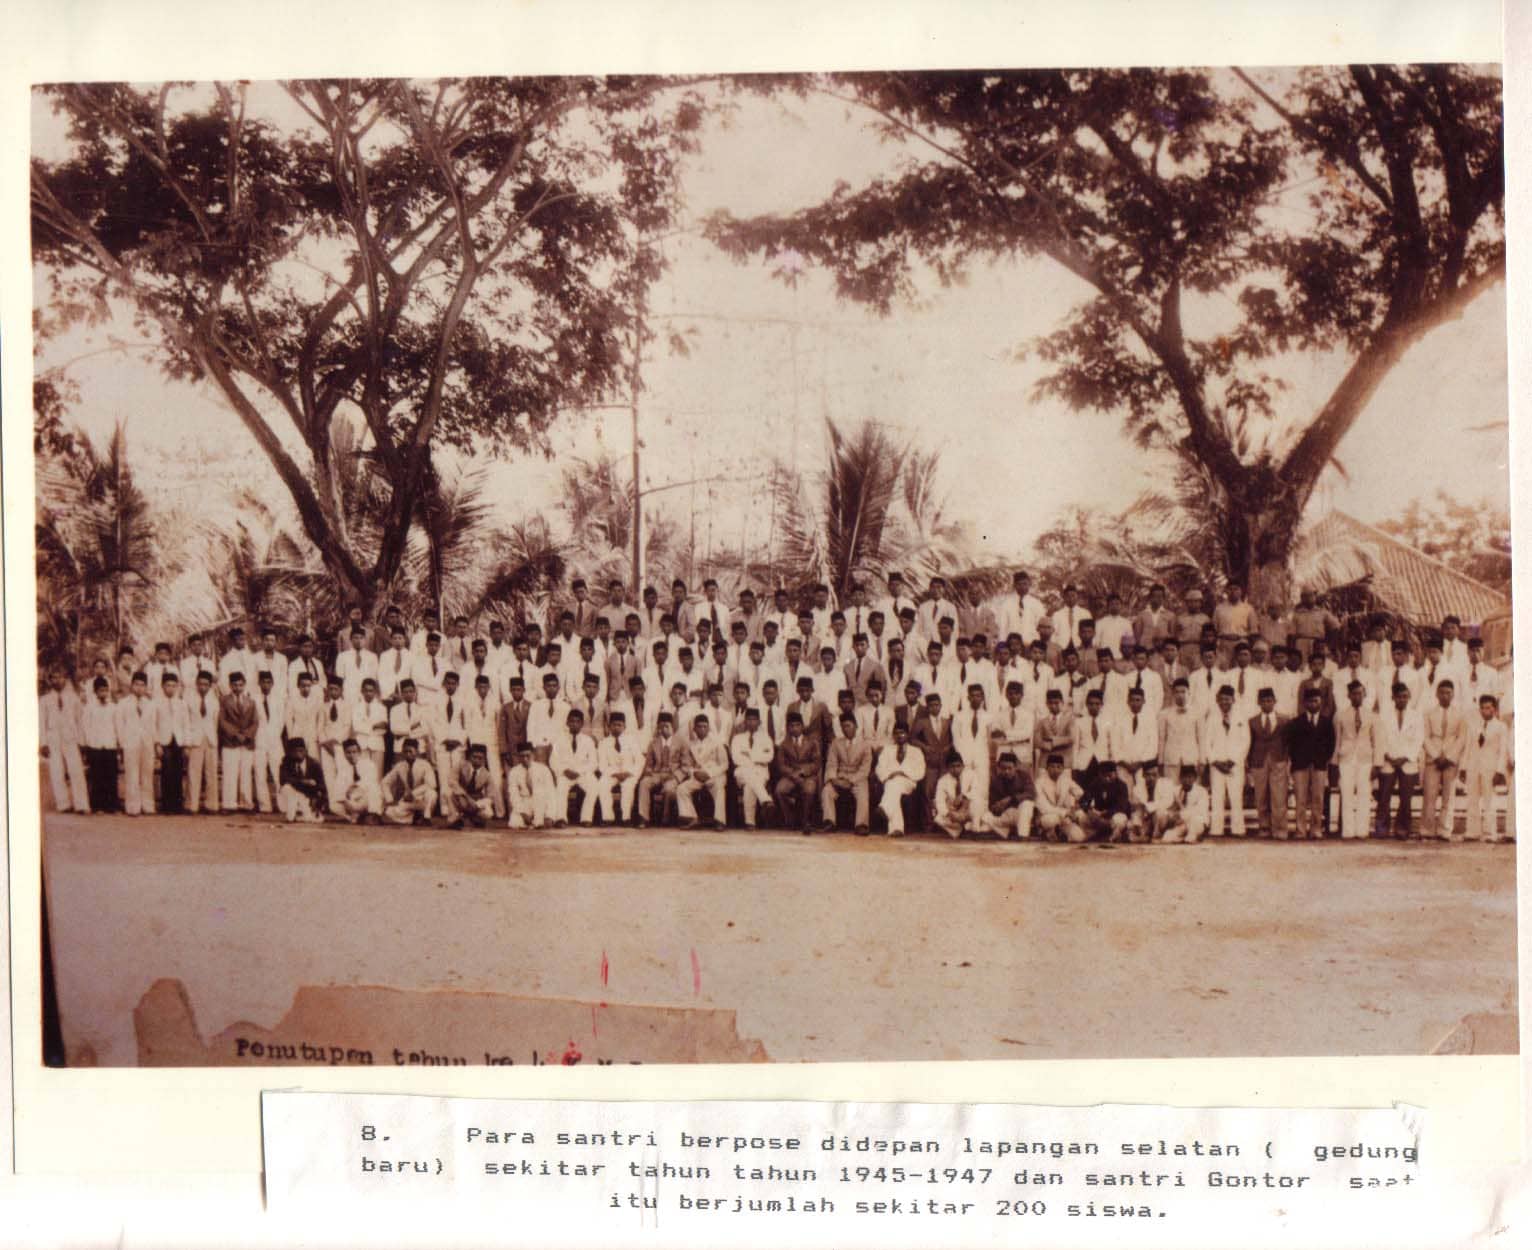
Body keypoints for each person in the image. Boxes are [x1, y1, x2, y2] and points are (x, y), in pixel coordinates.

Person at [1374, 681, 1424, 838]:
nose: (1402, 700)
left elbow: (1418, 740)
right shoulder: (1384, 716)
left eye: (1405, 696)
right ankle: (1382, 828)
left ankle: (1402, 829)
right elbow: (1380, 739)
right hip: (1388, 760)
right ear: (1393, 698)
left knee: (1406, 798)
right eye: (1399, 697)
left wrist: (1405, 757)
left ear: (1409, 697)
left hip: (1407, 761)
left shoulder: (1416, 716)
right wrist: (1388, 756)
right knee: (1384, 796)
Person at [1420, 680, 1468, 840]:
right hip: (1433, 759)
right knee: (1430, 795)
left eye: (1448, 692)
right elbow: (1425, 737)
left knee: (1449, 795)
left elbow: (1461, 738)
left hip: (1450, 760)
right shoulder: (1428, 713)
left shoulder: (1460, 714)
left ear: (1453, 694)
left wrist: (1448, 757)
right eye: (1442, 692)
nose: (1445, 696)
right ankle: (1427, 830)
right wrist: (1435, 755)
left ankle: (1445, 830)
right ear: (1436, 694)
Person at [1331, 679, 1376, 840]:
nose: (1357, 696)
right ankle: (1348, 830)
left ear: (1364, 695)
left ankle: (1362, 829)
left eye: (1360, 693)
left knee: (1364, 793)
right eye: (1354, 693)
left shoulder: (1371, 715)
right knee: (1347, 793)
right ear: (1349, 696)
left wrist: (1376, 763)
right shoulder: (1340, 715)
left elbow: (1375, 740)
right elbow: (1337, 739)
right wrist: (1334, 762)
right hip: (1346, 757)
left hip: (1365, 758)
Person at [40, 668, 90, 814]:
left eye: (60, 676)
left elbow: (80, 720)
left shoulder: (73, 698)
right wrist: (43, 743)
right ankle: (63, 804)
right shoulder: (44, 700)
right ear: (50, 680)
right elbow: (41, 723)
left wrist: (82, 741)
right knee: (57, 770)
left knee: (76, 770)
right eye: (54, 677)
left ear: (65, 678)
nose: (57, 680)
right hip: (53, 737)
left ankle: (81, 804)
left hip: (71, 736)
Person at [1462, 695, 1511, 842]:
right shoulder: (1473, 725)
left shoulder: (1501, 727)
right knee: (1472, 799)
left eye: (1488, 708)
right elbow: (1468, 747)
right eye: (1482, 708)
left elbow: (1503, 750)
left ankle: (1490, 833)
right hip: (1473, 766)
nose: (1485, 711)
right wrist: (1463, 767)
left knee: (1490, 801)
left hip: (1490, 768)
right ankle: (1472, 832)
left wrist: (1499, 771)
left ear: (1495, 709)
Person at [1203, 685, 1249, 838]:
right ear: (1217, 700)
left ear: (1233, 700)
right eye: (1221, 699)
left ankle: (1238, 828)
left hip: (1234, 764)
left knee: (1236, 796)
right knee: (1217, 796)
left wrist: (1233, 760)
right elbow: (1206, 742)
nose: (1224, 702)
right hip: (1217, 765)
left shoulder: (1241, 717)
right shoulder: (1211, 718)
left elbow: (1245, 741)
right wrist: (1215, 761)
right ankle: (1217, 829)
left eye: (1227, 699)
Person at [1246, 687, 1290, 839]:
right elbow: (1249, 743)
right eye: (1263, 701)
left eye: (1269, 701)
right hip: (1259, 761)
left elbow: (1288, 742)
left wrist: (1286, 760)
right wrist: (1249, 763)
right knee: (1261, 796)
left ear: (1275, 701)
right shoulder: (1252, 722)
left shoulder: (1284, 720)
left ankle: (1280, 829)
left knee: (1279, 796)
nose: (1266, 704)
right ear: (1258, 702)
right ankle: (1264, 827)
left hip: (1278, 760)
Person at [113, 670, 156, 816]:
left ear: (146, 687)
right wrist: (123, 742)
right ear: (131, 686)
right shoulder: (123, 703)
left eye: (143, 685)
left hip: (147, 742)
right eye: (136, 684)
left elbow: (153, 725)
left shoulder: (150, 704)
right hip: (130, 742)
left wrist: (154, 742)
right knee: (131, 774)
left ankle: (148, 805)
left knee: (147, 774)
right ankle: (132, 806)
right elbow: (119, 725)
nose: (139, 688)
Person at [820, 713, 872, 833]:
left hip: (857, 778)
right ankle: (829, 821)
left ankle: (861, 824)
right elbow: (831, 764)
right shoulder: (836, 743)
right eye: (843, 726)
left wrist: (851, 781)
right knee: (827, 790)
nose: (845, 729)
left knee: (863, 791)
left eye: (848, 725)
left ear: (856, 726)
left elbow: (865, 769)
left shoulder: (865, 745)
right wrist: (834, 779)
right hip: (840, 777)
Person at [774, 712, 823, 834]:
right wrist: (793, 774)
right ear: (787, 728)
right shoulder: (784, 744)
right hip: (790, 776)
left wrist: (802, 772)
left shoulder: (812, 742)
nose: (794, 728)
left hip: (808, 776)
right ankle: (790, 820)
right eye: (791, 726)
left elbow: (816, 763)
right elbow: (781, 765)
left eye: (797, 725)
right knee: (780, 790)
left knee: (809, 789)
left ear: (802, 726)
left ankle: (805, 821)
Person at [875, 721, 926, 837]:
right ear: (893, 735)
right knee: (894, 789)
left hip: (908, 781)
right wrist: (890, 775)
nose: (899, 736)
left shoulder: (916, 751)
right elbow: (879, 768)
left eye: (902, 733)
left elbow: (921, 771)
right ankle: (897, 829)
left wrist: (902, 772)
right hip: (890, 780)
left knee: (894, 786)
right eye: (897, 733)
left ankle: (885, 808)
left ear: (907, 734)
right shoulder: (887, 750)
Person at [550, 708, 600, 827]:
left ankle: (586, 818)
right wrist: (564, 770)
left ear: (582, 724)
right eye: (572, 721)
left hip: (582, 774)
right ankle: (561, 818)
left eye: (578, 722)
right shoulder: (559, 739)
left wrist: (580, 771)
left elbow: (594, 762)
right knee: (561, 788)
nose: (574, 724)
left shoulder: (588, 740)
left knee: (593, 787)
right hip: (566, 773)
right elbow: (553, 760)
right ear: (567, 723)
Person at [677, 714, 728, 830]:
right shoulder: (691, 744)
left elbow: (725, 764)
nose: (702, 729)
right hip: (698, 776)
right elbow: (687, 765)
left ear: (709, 728)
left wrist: (709, 774)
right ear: (694, 729)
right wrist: (694, 773)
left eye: (705, 727)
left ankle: (720, 820)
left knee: (719, 788)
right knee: (681, 789)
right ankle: (691, 817)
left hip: (715, 775)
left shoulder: (717, 742)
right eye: (699, 727)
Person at [217, 671, 259, 812]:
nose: (238, 688)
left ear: (244, 685)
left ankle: (246, 803)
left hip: (246, 743)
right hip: (230, 742)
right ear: (230, 685)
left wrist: (246, 735)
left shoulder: (251, 702)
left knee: (246, 773)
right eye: (234, 685)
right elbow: (222, 721)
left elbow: (255, 722)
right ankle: (229, 804)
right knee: (230, 773)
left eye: (240, 685)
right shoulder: (224, 700)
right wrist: (235, 734)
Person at [636, 713, 685, 827]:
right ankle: (643, 817)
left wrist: (677, 777)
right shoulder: (653, 742)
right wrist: (648, 771)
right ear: (658, 727)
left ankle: (665, 818)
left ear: (673, 727)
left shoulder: (681, 742)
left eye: (667, 726)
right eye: (661, 726)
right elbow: (649, 763)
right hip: (657, 773)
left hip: (673, 774)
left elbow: (686, 765)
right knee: (644, 783)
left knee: (669, 789)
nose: (664, 729)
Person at [730, 707, 775, 829]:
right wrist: (757, 759)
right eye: (748, 719)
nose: (751, 722)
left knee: (750, 785)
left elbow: (769, 756)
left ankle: (750, 822)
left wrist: (750, 755)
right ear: (745, 721)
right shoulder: (737, 738)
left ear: (759, 722)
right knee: (749, 775)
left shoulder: (765, 738)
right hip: (742, 772)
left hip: (760, 773)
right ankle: (765, 799)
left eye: (754, 719)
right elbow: (736, 758)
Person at [80, 676, 120, 813]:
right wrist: (87, 744)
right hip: (95, 745)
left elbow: (117, 726)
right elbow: (85, 726)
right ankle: (97, 805)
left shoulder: (114, 707)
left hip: (110, 744)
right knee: (97, 776)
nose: (103, 693)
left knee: (111, 775)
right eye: (100, 690)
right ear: (95, 692)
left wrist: (118, 743)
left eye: (105, 690)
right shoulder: (89, 708)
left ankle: (111, 805)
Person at [596, 710, 643, 824]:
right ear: (609, 726)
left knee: (628, 786)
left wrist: (628, 773)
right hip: (611, 773)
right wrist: (615, 774)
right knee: (602, 784)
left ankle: (626, 817)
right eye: (613, 725)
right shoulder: (603, 743)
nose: (616, 728)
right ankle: (608, 817)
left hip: (629, 773)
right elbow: (602, 765)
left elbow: (640, 761)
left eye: (619, 725)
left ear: (624, 726)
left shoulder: (632, 741)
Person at [154, 671, 191, 815]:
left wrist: (186, 744)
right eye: (168, 685)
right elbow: (154, 724)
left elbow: (186, 724)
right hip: (164, 740)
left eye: (173, 686)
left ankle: (177, 804)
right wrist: (157, 743)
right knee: (166, 771)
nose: (171, 688)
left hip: (178, 740)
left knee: (177, 772)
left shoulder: (181, 704)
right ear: (162, 686)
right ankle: (167, 805)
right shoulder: (156, 703)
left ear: (177, 687)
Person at [435, 671, 470, 822]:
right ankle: (445, 808)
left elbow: (467, 724)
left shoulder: (463, 701)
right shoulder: (437, 700)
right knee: (443, 776)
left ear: (457, 685)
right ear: (444, 684)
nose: (450, 686)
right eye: (448, 683)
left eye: (453, 683)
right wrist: (443, 739)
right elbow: (433, 722)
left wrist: (458, 740)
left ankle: (457, 807)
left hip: (457, 745)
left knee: (456, 778)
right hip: (442, 744)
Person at [185, 670, 221, 814]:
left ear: (210, 686)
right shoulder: (189, 700)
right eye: (200, 684)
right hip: (195, 739)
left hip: (210, 739)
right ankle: (191, 805)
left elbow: (216, 722)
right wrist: (187, 743)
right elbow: (186, 722)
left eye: (206, 684)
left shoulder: (214, 701)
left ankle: (211, 804)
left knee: (211, 772)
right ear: (196, 684)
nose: (203, 687)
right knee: (194, 772)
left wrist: (214, 738)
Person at [978, 751, 1035, 841]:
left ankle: (1022, 836)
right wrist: (997, 807)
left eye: (1010, 768)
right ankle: (1006, 828)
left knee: (1027, 804)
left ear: (1015, 767)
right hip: (1005, 814)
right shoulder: (996, 780)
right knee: (985, 816)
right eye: (1003, 768)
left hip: (1021, 813)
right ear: (999, 768)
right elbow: (992, 804)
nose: (1006, 771)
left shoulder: (1024, 776)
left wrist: (1011, 799)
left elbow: (1031, 794)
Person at [381, 737, 437, 826]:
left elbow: (432, 784)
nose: (408, 754)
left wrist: (413, 794)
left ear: (417, 752)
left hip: (422, 800)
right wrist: (390, 799)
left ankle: (426, 818)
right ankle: (414, 818)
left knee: (432, 793)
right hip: (408, 801)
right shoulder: (400, 766)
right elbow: (385, 782)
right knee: (389, 812)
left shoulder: (425, 765)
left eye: (410, 751)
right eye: (405, 751)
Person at [1034, 752, 1085, 842]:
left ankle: (1060, 833)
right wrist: (1066, 812)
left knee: (1078, 837)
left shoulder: (1065, 780)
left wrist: (1075, 804)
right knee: (1052, 819)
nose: (1055, 769)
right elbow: (1044, 807)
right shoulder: (1039, 782)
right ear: (1047, 768)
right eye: (1052, 766)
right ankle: (1046, 832)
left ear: (1062, 769)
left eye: (1058, 767)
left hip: (1064, 818)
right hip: (1046, 816)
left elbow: (1080, 792)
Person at [330, 739, 382, 824]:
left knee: (374, 788)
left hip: (365, 798)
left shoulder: (369, 764)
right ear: (344, 754)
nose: (352, 755)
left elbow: (369, 782)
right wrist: (345, 800)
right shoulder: (343, 769)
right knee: (333, 805)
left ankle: (372, 814)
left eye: (354, 752)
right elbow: (338, 789)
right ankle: (352, 817)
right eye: (348, 753)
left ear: (360, 752)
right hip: (351, 802)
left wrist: (354, 787)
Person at [1079, 758, 1131, 842]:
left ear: (1115, 774)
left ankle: (1113, 837)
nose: (1107, 778)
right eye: (1104, 776)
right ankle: (1094, 835)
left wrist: (1106, 813)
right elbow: (1083, 801)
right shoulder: (1095, 783)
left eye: (1110, 776)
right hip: (1097, 818)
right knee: (1081, 815)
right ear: (1099, 775)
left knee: (1119, 819)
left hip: (1112, 816)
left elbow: (1121, 807)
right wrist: (1089, 810)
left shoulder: (1122, 785)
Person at [277, 739, 328, 823]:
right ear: (290, 752)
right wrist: (302, 781)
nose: (298, 754)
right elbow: (283, 779)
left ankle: (301, 814)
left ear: (306, 750)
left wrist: (318, 802)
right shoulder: (286, 762)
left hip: (308, 796)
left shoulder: (314, 764)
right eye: (295, 751)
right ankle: (292, 815)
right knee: (287, 788)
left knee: (313, 819)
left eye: (301, 750)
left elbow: (322, 786)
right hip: (292, 793)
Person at [1160, 765, 1211, 844]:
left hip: (1197, 821)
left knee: (1194, 824)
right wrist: (1173, 816)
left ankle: (1192, 836)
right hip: (1182, 823)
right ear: (1180, 778)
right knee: (1167, 837)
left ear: (1195, 778)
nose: (1187, 780)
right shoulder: (1175, 790)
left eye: (1190, 777)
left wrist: (1181, 815)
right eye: (1184, 777)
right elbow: (1169, 808)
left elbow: (1200, 810)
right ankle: (1185, 837)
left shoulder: (1202, 791)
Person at [450, 744, 497, 829]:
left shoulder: (486, 774)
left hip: (476, 800)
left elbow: (491, 795)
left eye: (480, 758)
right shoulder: (461, 765)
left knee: (488, 814)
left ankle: (470, 818)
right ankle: (457, 817)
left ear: (484, 760)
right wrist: (465, 796)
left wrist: (478, 804)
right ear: (469, 757)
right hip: (460, 797)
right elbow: (452, 781)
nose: (476, 760)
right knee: (447, 793)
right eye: (474, 757)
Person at [1131, 759, 1176, 841]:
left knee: (1159, 813)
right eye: (1148, 775)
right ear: (1143, 775)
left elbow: (1168, 801)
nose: (1151, 778)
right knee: (1134, 821)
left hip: (1162, 818)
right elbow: (1137, 807)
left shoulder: (1166, 783)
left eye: (1154, 775)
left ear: (1158, 775)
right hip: (1145, 818)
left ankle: (1157, 834)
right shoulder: (1137, 788)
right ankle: (1144, 834)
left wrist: (1149, 807)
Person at [932, 750, 974, 838]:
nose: (956, 769)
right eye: (952, 767)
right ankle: (962, 829)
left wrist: (963, 796)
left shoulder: (971, 775)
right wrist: (950, 814)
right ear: (947, 768)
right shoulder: (943, 781)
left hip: (967, 809)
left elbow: (976, 791)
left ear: (963, 766)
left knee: (977, 806)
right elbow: (939, 801)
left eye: (958, 766)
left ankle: (965, 828)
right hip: (953, 812)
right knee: (938, 818)